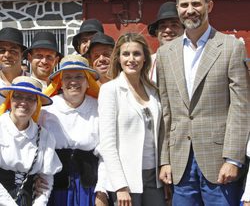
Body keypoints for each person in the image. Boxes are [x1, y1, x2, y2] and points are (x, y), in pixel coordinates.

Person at [157, 0, 250, 206]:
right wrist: (165, 160)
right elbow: (166, 110)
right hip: (180, 161)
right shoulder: (165, 53)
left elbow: (240, 107)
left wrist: (233, 159)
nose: (190, 10)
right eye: (184, 5)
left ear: (209, 6)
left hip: (219, 161)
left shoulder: (230, 47)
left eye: (196, 4)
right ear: (178, 8)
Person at [98, 32, 165, 206]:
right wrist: (120, 186)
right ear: (118, 59)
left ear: (145, 59)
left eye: (137, 53)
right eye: (125, 54)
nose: (131, 59)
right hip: (126, 179)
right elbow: (107, 144)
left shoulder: (153, 91)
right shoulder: (110, 90)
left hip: (154, 177)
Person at [38, 54, 106, 206]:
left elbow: (105, 154)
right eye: (67, 77)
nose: (73, 81)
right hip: (54, 188)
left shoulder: (99, 108)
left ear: (87, 81)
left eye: (79, 76)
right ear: (60, 83)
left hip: (88, 189)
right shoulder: (47, 109)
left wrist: (102, 190)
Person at [0, 76, 62, 205]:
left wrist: (40, 204)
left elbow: (46, 178)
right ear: (10, 99)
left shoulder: (45, 136)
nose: (23, 102)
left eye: (30, 98)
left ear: (37, 103)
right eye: (18, 96)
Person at [147, 2, 184, 83]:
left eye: (174, 25)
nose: (168, 30)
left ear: (184, 30)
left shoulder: (191, 59)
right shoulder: (147, 63)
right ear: (157, 32)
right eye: (163, 26)